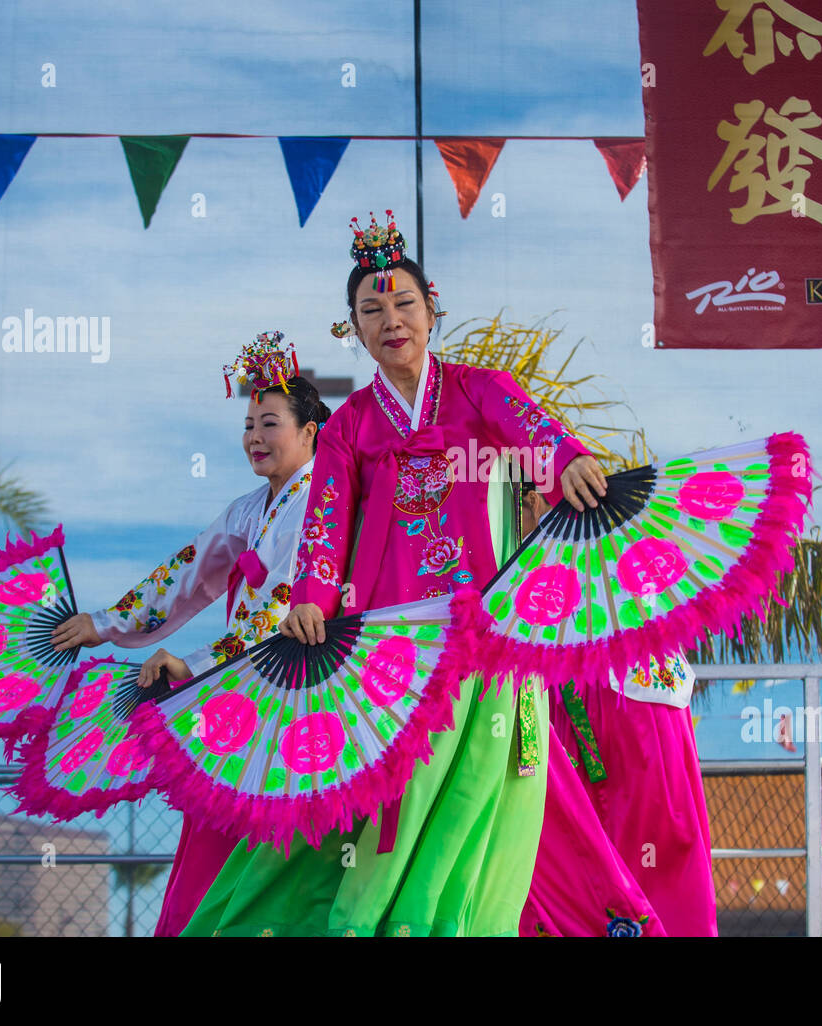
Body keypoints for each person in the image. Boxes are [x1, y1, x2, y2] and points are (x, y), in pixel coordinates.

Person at [183, 210, 608, 936]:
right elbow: (326, 522)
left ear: (431, 309)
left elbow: (538, 436)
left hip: (490, 643)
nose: (391, 320)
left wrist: (569, 463)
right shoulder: (351, 425)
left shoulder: (482, 390)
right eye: (370, 311)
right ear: (353, 328)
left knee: (483, 810)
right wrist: (313, 598)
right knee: (388, 821)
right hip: (393, 651)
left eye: (403, 304)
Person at [48, 334, 330, 936]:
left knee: (273, 848)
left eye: (270, 422)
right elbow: (185, 571)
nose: (255, 435)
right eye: (249, 423)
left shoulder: (321, 503)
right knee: (214, 838)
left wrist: (195, 665)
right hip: (245, 680)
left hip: (297, 683)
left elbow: (283, 603)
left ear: (311, 432)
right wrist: (104, 624)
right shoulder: (248, 509)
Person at [518, 485, 719, 936]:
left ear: (536, 503)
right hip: (654, 721)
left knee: (601, 865)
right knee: (667, 867)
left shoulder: (558, 571)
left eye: (519, 510)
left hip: (614, 722)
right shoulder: (622, 558)